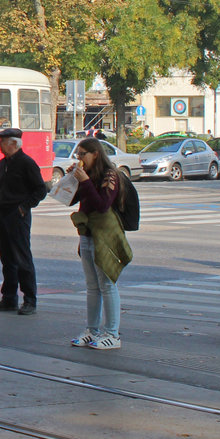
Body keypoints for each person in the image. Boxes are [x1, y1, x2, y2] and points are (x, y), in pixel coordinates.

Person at [68, 137, 133, 350]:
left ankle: (112, 334)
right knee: (91, 286)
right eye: (78, 155)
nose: (80, 158)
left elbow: (102, 205)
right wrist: (73, 180)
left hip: (103, 235)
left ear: (95, 154)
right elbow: (71, 199)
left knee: (107, 284)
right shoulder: (88, 175)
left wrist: (85, 180)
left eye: (82, 154)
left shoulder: (109, 175)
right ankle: (92, 329)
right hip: (87, 233)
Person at [0, 128, 47, 315]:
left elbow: (40, 190)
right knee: (7, 260)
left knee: (22, 258)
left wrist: (24, 207)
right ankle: (9, 298)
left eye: (3, 141)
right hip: (3, 215)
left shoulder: (26, 163)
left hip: (17, 216)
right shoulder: (2, 163)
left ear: (14, 143)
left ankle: (29, 300)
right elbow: (0, 192)